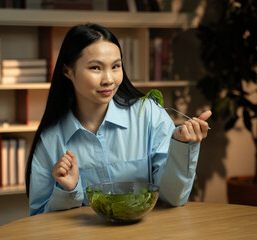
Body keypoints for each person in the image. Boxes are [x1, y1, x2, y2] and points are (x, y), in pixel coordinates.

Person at [26, 23, 212, 216]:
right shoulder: (51, 140)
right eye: (96, 67)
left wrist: (182, 145)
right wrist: (68, 191)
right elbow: (37, 219)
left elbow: (173, 198)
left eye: (115, 66)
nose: (109, 79)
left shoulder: (148, 114)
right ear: (67, 71)